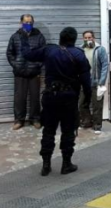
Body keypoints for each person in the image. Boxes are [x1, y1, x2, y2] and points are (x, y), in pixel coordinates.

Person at [20, 27, 92, 176]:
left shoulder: (48, 50)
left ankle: (46, 165)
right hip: (69, 99)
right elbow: (86, 82)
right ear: (74, 39)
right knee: (68, 132)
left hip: (50, 97)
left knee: (48, 131)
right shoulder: (79, 54)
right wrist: (86, 102)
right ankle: (66, 164)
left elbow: (27, 54)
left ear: (60, 38)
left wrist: (24, 38)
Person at [7, 14, 46, 130]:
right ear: (21, 22)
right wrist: (16, 66)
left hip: (34, 73)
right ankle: (19, 120)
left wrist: (37, 65)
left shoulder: (39, 36)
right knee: (19, 98)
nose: (28, 24)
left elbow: (44, 53)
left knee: (35, 97)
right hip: (20, 73)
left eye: (30, 22)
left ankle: (35, 119)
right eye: (26, 22)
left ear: (33, 23)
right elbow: (10, 53)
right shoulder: (15, 37)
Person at [79, 31, 109, 134]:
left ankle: (97, 126)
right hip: (84, 82)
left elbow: (105, 65)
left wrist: (102, 80)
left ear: (94, 38)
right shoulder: (80, 49)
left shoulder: (100, 49)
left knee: (97, 105)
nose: (88, 40)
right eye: (86, 38)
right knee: (82, 104)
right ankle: (87, 122)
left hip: (96, 81)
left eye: (90, 37)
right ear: (83, 38)